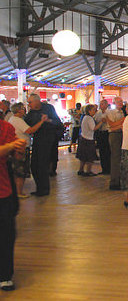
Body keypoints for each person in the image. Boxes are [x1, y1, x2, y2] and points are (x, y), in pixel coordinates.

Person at [0, 120, 26, 292]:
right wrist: (10, 146)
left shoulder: (5, 127)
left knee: (6, 233)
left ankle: (5, 275)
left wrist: (19, 149)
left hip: (3, 189)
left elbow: (16, 155)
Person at [24, 94, 62, 197]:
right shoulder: (31, 113)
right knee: (34, 165)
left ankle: (44, 189)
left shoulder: (49, 108)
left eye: (30, 102)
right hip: (37, 139)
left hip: (47, 140)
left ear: (37, 101)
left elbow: (58, 123)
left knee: (42, 165)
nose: (29, 104)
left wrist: (48, 120)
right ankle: (39, 188)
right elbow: (26, 123)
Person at [8, 103, 46, 198]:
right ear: (19, 110)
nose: (25, 110)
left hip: (17, 147)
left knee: (17, 170)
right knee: (21, 171)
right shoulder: (17, 120)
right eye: (23, 108)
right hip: (21, 148)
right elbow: (30, 130)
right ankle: (19, 192)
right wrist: (41, 122)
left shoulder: (13, 119)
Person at [76, 104, 104, 176]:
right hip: (88, 139)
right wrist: (101, 122)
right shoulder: (89, 118)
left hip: (83, 138)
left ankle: (81, 170)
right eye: (93, 110)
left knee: (83, 157)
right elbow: (93, 128)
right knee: (90, 157)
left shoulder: (85, 117)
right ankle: (88, 171)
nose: (95, 111)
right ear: (89, 111)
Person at [106, 97, 125, 190]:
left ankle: (119, 180)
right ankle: (114, 182)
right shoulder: (111, 112)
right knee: (115, 158)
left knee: (120, 158)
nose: (121, 103)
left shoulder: (122, 112)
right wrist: (123, 122)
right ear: (114, 103)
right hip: (114, 135)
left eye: (121, 101)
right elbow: (112, 125)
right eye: (118, 101)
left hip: (122, 135)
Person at [94, 99, 111, 175]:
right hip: (100, 133)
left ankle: (109, 168)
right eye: (100, 104)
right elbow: (96, 121)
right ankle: (104, 169)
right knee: (102, 151)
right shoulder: (98, 113)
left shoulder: (110, 112)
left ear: (106, 105)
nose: (101, 106)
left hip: (108, 132)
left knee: (108, 151)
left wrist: (107, 120)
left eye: (102, 104)